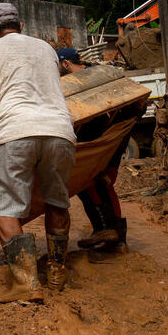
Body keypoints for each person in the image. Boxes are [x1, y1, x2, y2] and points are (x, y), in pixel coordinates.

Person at [0, 3, 77, 303]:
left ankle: (26, 283)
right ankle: (57, 271)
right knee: (57, 200)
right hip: (60, 131)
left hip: (15, 132)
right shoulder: (46, 49)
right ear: (21, 25)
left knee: (6, 207)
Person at [58, 47, 130, 253]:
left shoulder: (83, 81)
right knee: (88, 186)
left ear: (65, 63)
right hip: (104, 140)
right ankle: (106, 233)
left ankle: (114, 236)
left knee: (98, 183)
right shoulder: (95, 73)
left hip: (103, 142)